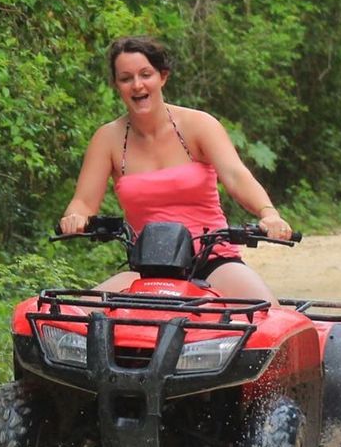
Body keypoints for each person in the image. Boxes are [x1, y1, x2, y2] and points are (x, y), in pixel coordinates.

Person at [59, 35, 292, 301]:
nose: (137, 85)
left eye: (145, 74)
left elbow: (236, 176)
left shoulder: (199, 125)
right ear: (117, 85)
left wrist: (268, 213)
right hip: (147, 268)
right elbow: (83, 202)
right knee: (75, 315)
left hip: (213, 259)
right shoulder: (108, 139)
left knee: (266, 315)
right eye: (126, 78)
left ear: (162, 77)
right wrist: (75, 218)